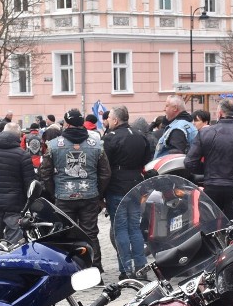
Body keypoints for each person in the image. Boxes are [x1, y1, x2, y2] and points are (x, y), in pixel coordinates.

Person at [40, 108, 111, 272]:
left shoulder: (53, 145)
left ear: (67, 123)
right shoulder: (97, 145)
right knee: (90, 233)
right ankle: (95, 268)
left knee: (66, 233)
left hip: (64, 196)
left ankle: (70, 270)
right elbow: (105, 173)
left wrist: (53, 191)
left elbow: (45, 173)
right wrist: (98, 192)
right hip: (90, 195)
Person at [185, 98, 233, 219]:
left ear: (220, 113)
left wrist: (208, 169)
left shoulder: (205, 133)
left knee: (211, 227)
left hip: (212, 185)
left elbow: (190, 163)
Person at [103, 105, 152, 280]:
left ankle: (126, 270)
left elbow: (104, 165)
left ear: (115, 120)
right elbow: (147, 158)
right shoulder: (140, 136)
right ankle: (141, 267)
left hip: (117, 186)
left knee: (120, 229)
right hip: (136, 184)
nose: (108, 121)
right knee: (135, 228)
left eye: (109, 119)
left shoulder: (111, 138)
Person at [0, 123, 35, 243]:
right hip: (14, 206)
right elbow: (29, 183)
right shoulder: (22, 154)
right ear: (19, 136)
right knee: (15, 246)